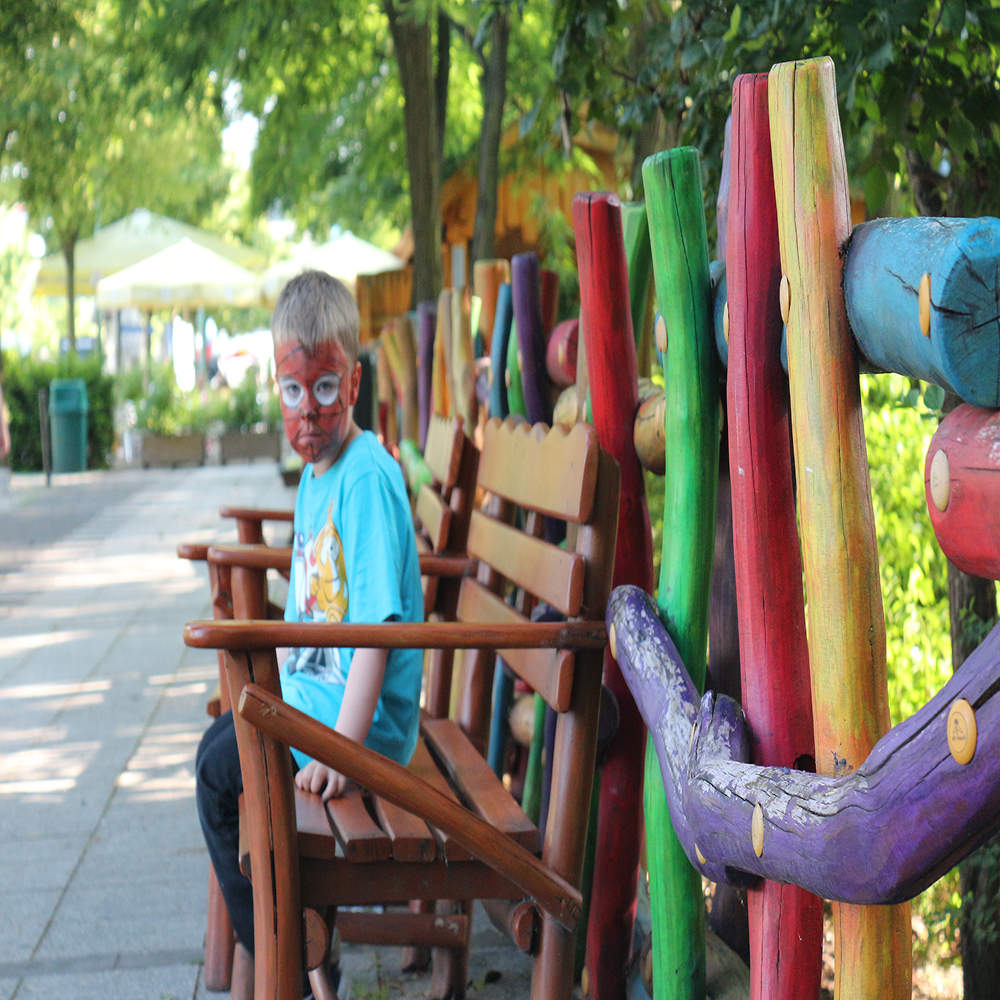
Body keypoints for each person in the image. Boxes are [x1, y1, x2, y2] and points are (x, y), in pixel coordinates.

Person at [195, 270, 424, 982]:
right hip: (312, 709)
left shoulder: (364, 478)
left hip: (357, 732)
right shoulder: (320, 477)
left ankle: (284, 959)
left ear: (352, 385)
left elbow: (376, 635)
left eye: (324, 389)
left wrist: (342, 752)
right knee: (218, 750)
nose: (308, 412)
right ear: (277, 386)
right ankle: (293, 938)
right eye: (293, 391)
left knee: (218, 770)